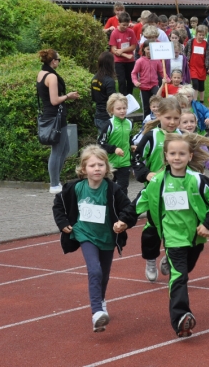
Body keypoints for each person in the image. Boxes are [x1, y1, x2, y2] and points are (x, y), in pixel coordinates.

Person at [135, 133, 209, 338]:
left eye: (181, 154)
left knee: (188, 267)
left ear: (190, 156)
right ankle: (181, 317)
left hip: (194, 236)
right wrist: (124, 219)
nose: (177, 157)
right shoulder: (157, 181)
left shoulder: (198, 180)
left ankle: (171, 263)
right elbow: (140, 201)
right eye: (173, 153)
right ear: (165, 156)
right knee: (180, 276)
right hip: (172, 236)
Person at [52, 145, 137, 332]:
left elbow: (129, 209)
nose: (97, 168)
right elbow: (58, 205)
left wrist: (122, 223)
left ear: (107, 168)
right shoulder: (74, 188)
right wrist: (63, 222)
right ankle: (97, 311)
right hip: (84, 233)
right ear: (83, 169)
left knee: (104, 274)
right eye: (92, 165)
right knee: (94, 270)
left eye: (101, 165)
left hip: (107, 236)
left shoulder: (113, 189)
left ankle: (101, 302)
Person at [131, 97, 182, 282]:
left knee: (177, 228)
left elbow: (193, 161)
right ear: (159, 115)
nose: (172, 122)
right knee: (154, 229)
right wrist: (146, 174)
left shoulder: (182, 137)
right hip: (155, 194)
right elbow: (136, 159)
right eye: (168, 117)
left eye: (176, 118)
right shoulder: (151, 136)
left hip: (177, 193)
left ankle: (170, 256)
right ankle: (151, 259)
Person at [36, 49, 80, 194]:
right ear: (53, 61)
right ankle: (54, 184)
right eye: (58, 60)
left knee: (65, 148)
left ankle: (56, 181)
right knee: (56, 150)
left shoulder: (41, 74)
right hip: (55, 116)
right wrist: (68, 96)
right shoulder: (51, 77)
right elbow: (54, 100)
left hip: (53, 115)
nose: (59, 62)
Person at [97, 93, 132, 196]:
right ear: (112, 110)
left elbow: (128, 139)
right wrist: (114, 149)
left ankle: (122, 209)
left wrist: (132, 146)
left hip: (125, 162)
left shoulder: (129, 123)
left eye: (124, 108)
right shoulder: (109, 124)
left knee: (123, 188)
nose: (122, 111)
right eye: (118, 109)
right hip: (110, 163)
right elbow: (100, 143)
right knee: (109, 188)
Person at [131, 42, 164, 119]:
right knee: (146, 107)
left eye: (151, 49)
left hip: (154, 85)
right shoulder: (140, 61)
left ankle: (157, 120)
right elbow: (134, 73)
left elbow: (162, 71)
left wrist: (168, 80)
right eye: (148, 49)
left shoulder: (156, 60)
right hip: (144, 86)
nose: (149, 51)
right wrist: (135, 82)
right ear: (144, 49)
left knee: (157, 102)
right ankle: (146, 122)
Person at [184, 24, 209, 103]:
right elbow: (185, 51)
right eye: (200, 35)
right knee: (195, 84)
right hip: (192, 67)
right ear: (196, 33)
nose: (201, 37)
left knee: (201, 85)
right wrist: (185, 60)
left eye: (203, 35)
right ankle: (194, 100)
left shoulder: (207, 45)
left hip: (202, 68)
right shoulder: (191, 42)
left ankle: (201, 101)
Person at [109, 11, 137, 96]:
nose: (125, 27)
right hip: (119, 61)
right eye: (123, 25)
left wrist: (122, 50)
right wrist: (125, 54)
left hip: (130, 61)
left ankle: (130, 96)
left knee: (130, 79)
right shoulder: (114, 33)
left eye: (127, 25)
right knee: (121, 80)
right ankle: (123, 97)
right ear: (119, 23)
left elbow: (133, 46)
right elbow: (114, 49)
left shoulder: (131, 32)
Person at [91, 51, 117, 135]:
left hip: (98, 115)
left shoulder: (94, 78)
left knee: (101, 141)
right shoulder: (109, 81)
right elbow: (112, 101)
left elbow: (93, 98)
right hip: (107, 117)